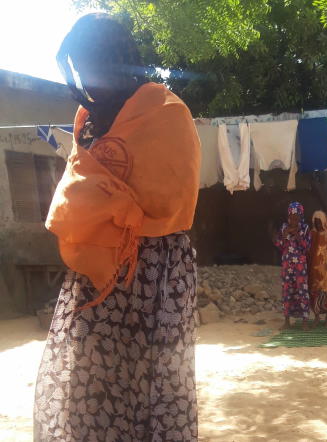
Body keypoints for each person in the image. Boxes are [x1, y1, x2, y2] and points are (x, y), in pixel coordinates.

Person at [34, 14, 200, 441]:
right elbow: (76, 187)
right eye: (81, 67)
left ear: (120, 59)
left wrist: (117, 204)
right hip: (96, 277)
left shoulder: (167, 113)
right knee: (91, 388)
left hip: (156, 273)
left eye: (95, 63)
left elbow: (174, 195)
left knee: (155, 388)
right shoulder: (87, 119)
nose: (89, 78)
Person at [274, 202, 312, 330]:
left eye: (296, 216)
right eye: (291, 215)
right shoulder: (284, 227)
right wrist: (285, 236)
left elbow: (307, 247)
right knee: (287, 290)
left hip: (300, 265)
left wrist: (298, 236)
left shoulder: (305, 228)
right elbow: (279, 245)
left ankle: (305, 321)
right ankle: (286, 321)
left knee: (302, 290)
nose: (293, 219)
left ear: (301, 216)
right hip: (287, 264)